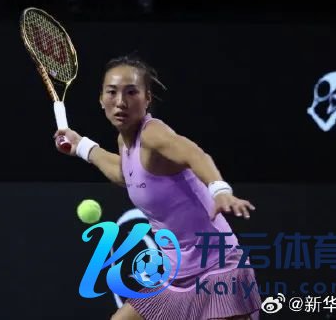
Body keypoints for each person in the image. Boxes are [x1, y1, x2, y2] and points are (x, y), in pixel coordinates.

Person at [54, 55, 261, 320]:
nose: (120, 102)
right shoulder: (125, 142)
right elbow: (125, 174)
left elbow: (194, 154)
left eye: (131, 92)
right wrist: (81, 146)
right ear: (101, 100)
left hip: (216, 269)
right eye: (112, 92)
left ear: (147, 98)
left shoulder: (153, 134)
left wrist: (219, 190)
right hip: (177, 275)